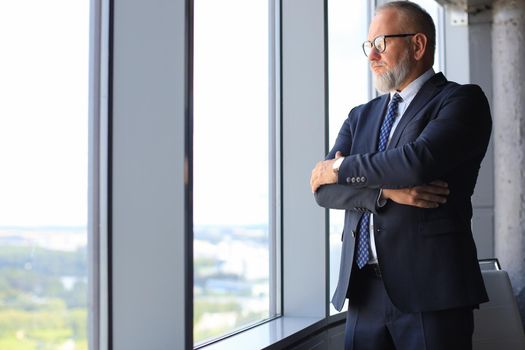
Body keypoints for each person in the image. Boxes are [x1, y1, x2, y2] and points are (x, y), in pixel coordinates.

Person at [310, 1, 491, 349]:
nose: (371, 56)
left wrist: (339, 168)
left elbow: (416, 162)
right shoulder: (360, 116)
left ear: (418, 45)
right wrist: (384, 194)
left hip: (432, 293)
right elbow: (323, 192)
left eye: (381, 44)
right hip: (363, 292)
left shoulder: (461, 101)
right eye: (369, 47)